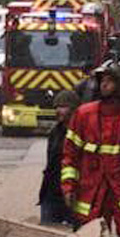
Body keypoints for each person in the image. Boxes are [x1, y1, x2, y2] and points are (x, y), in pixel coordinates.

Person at [61, 61, 120, 235]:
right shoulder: (84, 115)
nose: (104, 84)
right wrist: (68, 186)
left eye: (109, 81)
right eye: (102, 80)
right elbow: (70, 155)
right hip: (92, 189)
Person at [39, 90, 79, 225]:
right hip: (52, 192)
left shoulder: (81, 133)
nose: (58, 111)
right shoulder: (55, 132)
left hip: (73, 193)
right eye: (56, 107)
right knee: (46, 234)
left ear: (73, 109)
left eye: (62, 107)